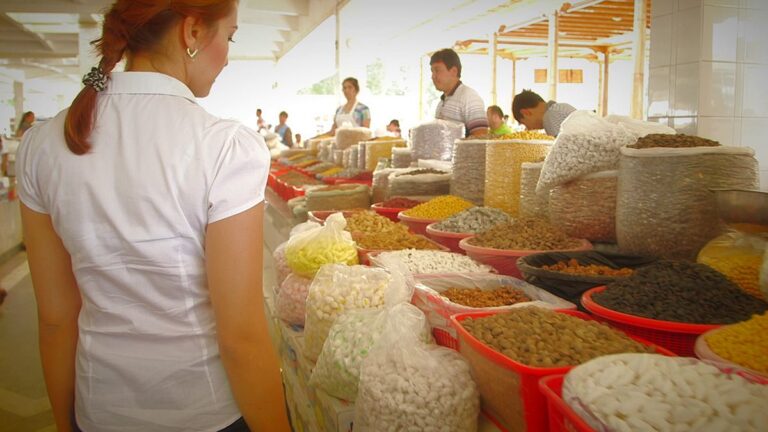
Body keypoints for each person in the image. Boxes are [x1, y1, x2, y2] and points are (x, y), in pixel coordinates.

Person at [16, 1, 290, 431]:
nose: (227, 56)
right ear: (192, 32)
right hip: (206, 412)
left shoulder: (41, 145)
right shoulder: (225, 147)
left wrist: (64, 424)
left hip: (98, 409)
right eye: (230, 36)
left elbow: (55, 319)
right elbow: (240, 335)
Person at [430, 48, 488, 137]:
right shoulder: (441, 102)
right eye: (432, 71)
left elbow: (480, 137)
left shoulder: (470, 98)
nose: (433, 76)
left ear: (454, 71)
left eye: (437, 70)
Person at [512, 89, 576, 137]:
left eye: (524, 124)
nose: (528, 129)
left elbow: (560, 149)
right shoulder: (560, 107)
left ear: (526, 113)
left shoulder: (550, 116)